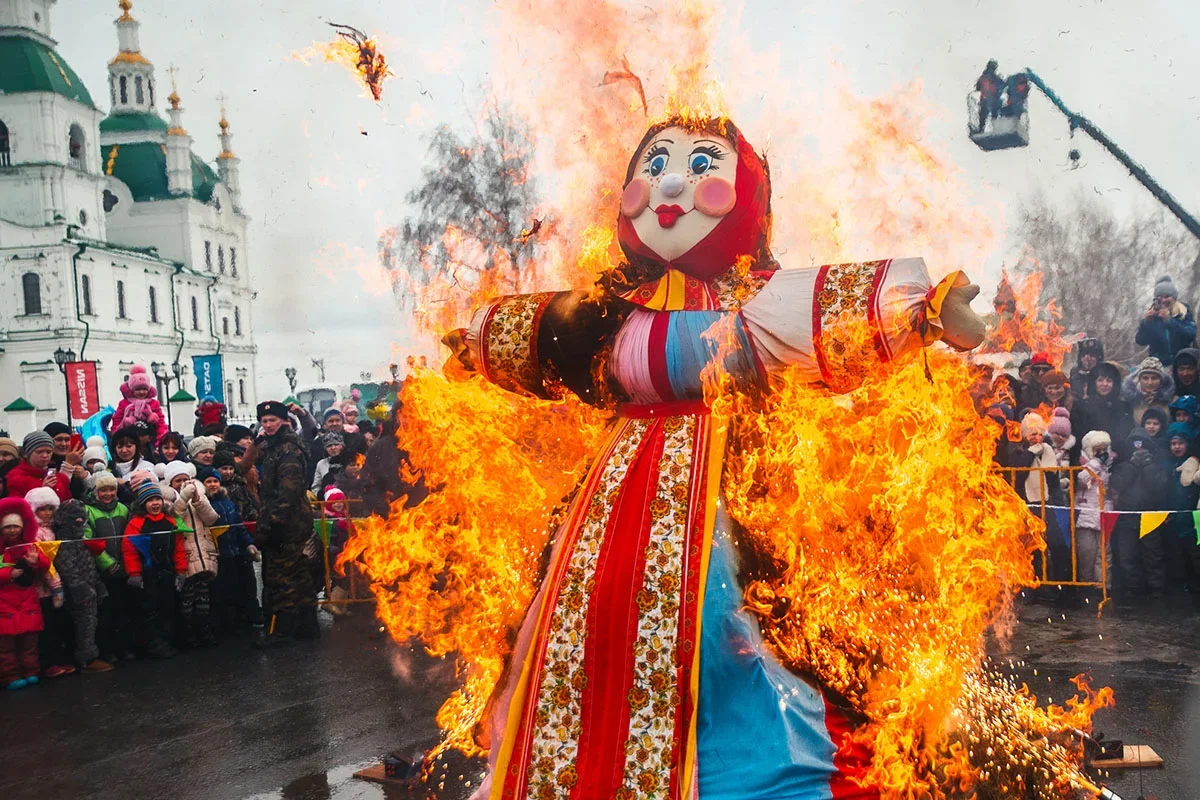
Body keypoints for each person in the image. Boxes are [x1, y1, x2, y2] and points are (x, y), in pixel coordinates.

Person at [254, 401, 316, 646]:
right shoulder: (275, 446)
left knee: (281, 576)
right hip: (290, 519)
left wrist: (275, 524)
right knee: (298, 572)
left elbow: (289, 491)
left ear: (284, 421)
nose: (268, 425)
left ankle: (284, 630)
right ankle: (307, 625)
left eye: (273, 420)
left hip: (288, 522)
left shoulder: (287, 449)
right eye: (265, 421)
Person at [122, 483, 188, 659]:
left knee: (167, 607)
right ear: (143, 503)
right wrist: (134, 573)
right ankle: (152, 644)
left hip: (167, 571)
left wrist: (181, 570)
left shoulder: (171, 521)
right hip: (147, 574)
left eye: (157, 499)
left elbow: (179, 548)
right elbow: (129, 550)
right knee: (149, 609)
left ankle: (167, 640)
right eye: (150, 500)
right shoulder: (136, 524)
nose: (155, 503)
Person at [50, 499, 113, 673]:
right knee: (85, 622)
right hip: (78, 592)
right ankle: (86, 658)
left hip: (88, 586)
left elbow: (89, 563)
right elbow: (67, 568)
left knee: (89, 621)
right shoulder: (65, 541)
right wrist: (81, 589)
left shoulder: (78, 538)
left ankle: (85, 655)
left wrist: (98, 585)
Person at [1109, 428, 1170, 604]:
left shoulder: (1156, 466)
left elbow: (1160, 487)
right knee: (1127, 555)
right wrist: (1133, 466)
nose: (1139, 449)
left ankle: (1156, 589)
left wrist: (1148, 467)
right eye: (1135, 445)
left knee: (1153, 554)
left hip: (1150, 516)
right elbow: (1117, 484)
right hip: (1127, 516)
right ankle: (1132, 588)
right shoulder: (1122, 466)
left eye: (1142, 445)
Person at [0, 497, 51, 690]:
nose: (12, 530)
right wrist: (8, 574)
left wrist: (37, 561)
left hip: (27, 600)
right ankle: (11, 675)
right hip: (4, 602)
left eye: (16, 526)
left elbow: (45, 564)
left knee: (29, 643)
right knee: (7, 646)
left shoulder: (29, 545)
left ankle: (31, 671)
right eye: (7, 527)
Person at [204, 467, 262, 636]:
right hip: (217, 554)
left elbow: (239, 526)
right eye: (209, 481)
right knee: (220, 593)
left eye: (215, 481)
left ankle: (239, 621)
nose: (213, 484)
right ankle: (225, 626)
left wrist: (248, 544)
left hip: (234, 551)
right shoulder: (204, 504)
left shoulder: (227, 502)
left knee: (237, 588)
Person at [169, 464, 220, 648]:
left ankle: (204, 630)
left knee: (203, 594)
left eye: (185, 479)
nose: (183, 483)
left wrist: (198, 499)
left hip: (203, 552)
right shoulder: (169, 499)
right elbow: (175, 518)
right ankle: (188, 633)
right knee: (187, 596)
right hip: (185, 554)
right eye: (178, 480)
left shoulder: (200, 495)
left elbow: (211, 518)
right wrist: (183, 498)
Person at [85, 472, 133, 662]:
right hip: (101, 571)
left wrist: (125, 561)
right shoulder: (88, 510)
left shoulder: (123, 509)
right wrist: (107, 563)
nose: (108, 494)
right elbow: (88, 540)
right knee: (105, 613)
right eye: (103, 490)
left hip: (123, 567)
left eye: (111, 489)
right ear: (95, 492)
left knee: (123, 610)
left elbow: (129, 537)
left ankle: (123, 647)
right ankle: (107, 650)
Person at [25, 487, 72, 678]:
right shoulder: (35, 533)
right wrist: (56, 585)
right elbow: (43, 562)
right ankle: (48, 664)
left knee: (57, 624)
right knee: (47, 626)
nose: (47, 513)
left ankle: (57, 659)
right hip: (42, 588)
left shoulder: (54, 529)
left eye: (50, 508)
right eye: (42, 509)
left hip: (56, 583)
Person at [1161, 423, 1200, 594]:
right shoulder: (1167, 466)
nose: (1177, 447)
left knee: (1194, 553)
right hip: (1174, 516)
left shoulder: (1194, 464)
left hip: (1192, 516)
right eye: (1173, 443)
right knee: (1177, 553)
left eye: (1181, 443)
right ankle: (1181, 586)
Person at [1075, 431, 1114, 592]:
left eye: (1104, 449)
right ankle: (1086, 585)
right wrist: (1096, 462)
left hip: (1104, 513)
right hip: (1085, 514)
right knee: (1086, 552)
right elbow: (1082, 479)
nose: (1101, 453)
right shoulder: (1082, 464)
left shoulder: (1109, 467)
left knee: (1104, 554)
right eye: (1097, 449)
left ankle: (1103, 585)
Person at [1135, 275, 1196, 364]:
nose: (1163, 300)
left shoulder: (1183, 312)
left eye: (1167, 296)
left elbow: (1190, 335)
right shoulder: (1152, 314)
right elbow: (1140, 341)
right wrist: (1145, 324)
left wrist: (1169, 321)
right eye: (1160, 297)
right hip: (1158, 363)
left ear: (1174, 298)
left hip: (1181, 361)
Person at [1071, 362, 1133, 443]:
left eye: (1109, 381)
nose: (1104, 384)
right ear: (1094, 382)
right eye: (1100, 380)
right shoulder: (1080, 406)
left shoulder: (1124, 407)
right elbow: (1077, 434)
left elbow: (1126, 434)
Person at [5, 431, 72, 501]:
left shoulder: (61, 478)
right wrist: (42, 491)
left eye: (48, 452)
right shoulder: (16, 477)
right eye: (39, 452)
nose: (45, 455)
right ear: (27, 454)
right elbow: (16, 505)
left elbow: (68, 504)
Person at [110, 365, 167, 444]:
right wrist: (124, 423)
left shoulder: (154, 403)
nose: (141, 392)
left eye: (144, 389)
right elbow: (116, 422)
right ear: (131, 390)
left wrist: (161, 440)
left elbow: (161, 424)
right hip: (129, 443)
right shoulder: (124, 404)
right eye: (138, 389)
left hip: (150, 442)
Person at [1123, 356, 1176, 426]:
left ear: (1161, 380)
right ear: (1139, 379)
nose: (1149, 382)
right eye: (1145, 378)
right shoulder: (1129, 400)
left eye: (1154, 378)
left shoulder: (1172, 400)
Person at [975, 59, 1004, 130]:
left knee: (983, 116)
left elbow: (978, 87)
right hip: (993, 99)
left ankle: (981, 129)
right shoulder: (996, 78)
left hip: (986, 99)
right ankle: (994, 129)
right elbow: (1002, 86)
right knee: (994, 115)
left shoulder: (983, 78)